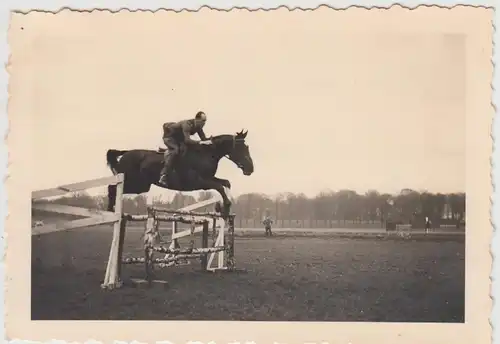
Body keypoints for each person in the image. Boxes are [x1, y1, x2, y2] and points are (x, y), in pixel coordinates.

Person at [159, 111, 211, 186]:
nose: (204, 123)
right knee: (176, 150)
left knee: (189, 149)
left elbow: (203, 139)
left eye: (205, 121)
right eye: (203, 121)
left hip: (178, 139)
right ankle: (163, 175)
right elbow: (187, 140)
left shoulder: (198, 127)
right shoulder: (187, 124)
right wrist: (200, 142)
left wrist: (211, 140)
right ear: (197, 119)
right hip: (169, 138)